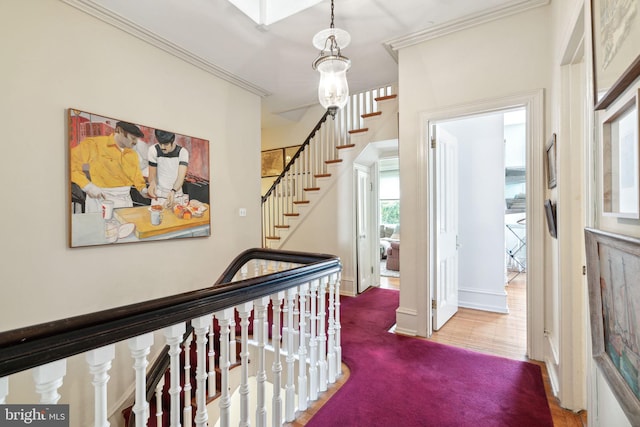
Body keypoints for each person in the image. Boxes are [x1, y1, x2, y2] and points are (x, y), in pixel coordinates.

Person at [70, 121, 149, 213]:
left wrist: (143, 190)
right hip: (100, 200)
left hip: (125, 202)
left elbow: (136, 176)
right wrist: (87, 186)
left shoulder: (133, 154)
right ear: (119, 131)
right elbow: (70, 163)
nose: (135, 142)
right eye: (133, 138)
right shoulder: (95, 144)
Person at [147, 129, 189, 207]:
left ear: (172, 141)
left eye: (166, 144)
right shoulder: (153, 150)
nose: (162, 147)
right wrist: (152, 184)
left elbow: (180, 178)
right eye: (160, 144)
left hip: (176, 196)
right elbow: (152, 175)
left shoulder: (182, 152)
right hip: (159, 197)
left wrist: (173, 191)